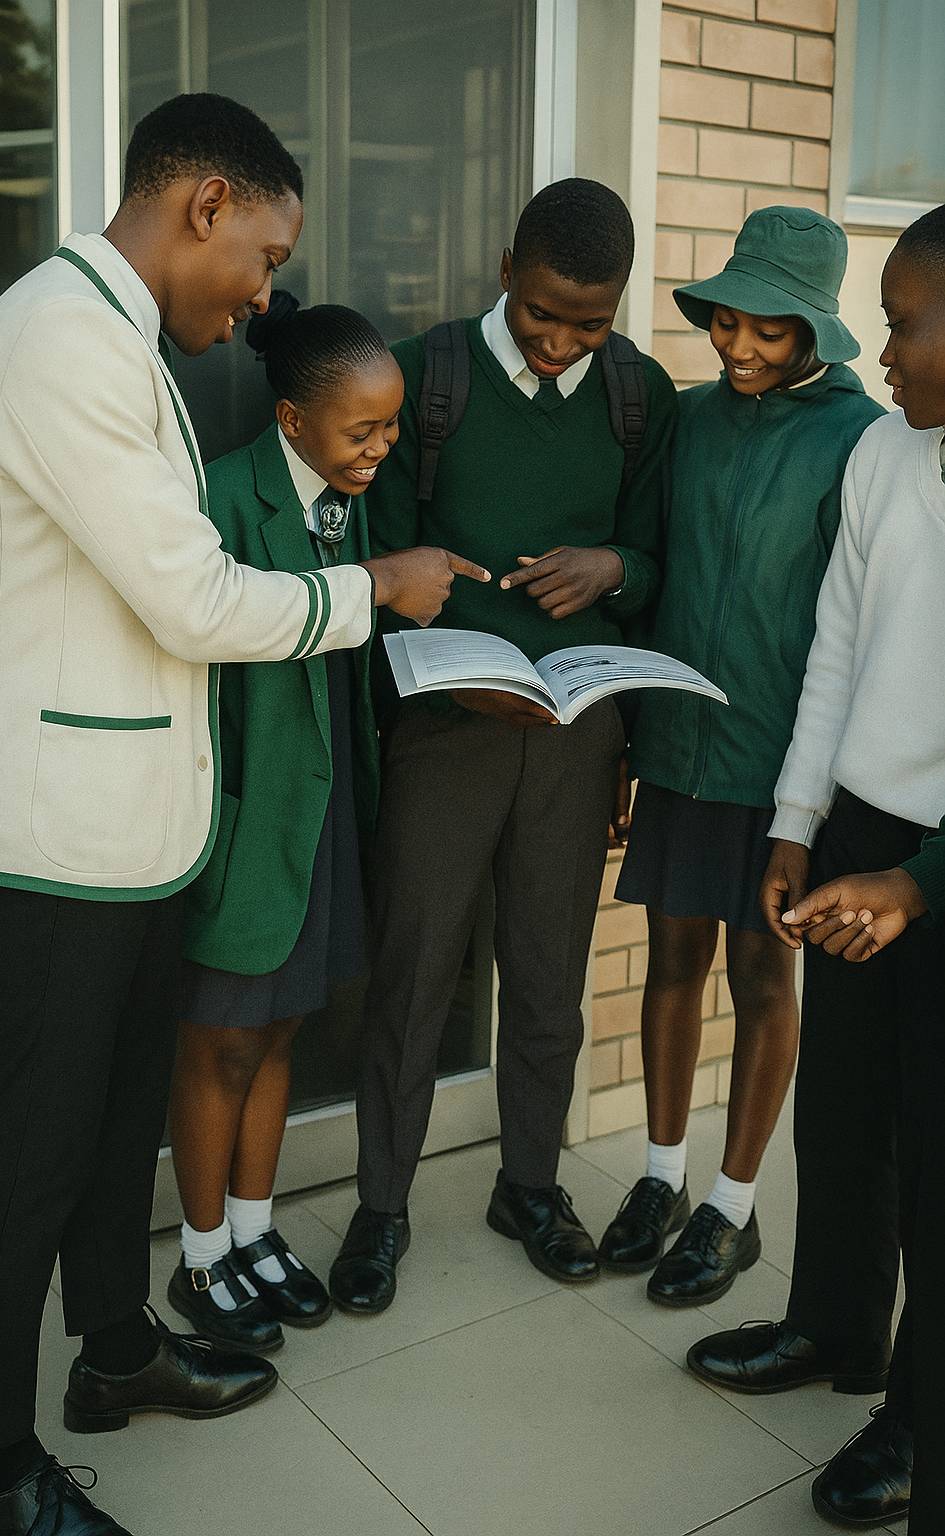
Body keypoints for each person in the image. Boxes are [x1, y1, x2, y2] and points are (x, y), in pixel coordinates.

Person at [0, 94, 484, 1536]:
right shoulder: (66, 344)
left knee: (118, 1119)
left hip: (131, 830)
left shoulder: (122, 340)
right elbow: (188, 597)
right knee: (30, 1150)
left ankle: (115, 1350)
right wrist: (371, 590)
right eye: (264, 256)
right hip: (60, 838)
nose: (261, 296)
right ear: (204, 206)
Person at [326, 178, 678, 1316]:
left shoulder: (637, 396)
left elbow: (659, 564)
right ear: (504, 271)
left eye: (590, 323)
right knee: (415, 970)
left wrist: (615, 567)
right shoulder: (422, 379)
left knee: (547, 975)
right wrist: (452, 673)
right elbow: (377, 574)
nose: (562, 343)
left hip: (576, 737)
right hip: (446, 733)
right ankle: (381, 1207)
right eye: (541, 314)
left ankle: (528, 1184)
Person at [686, 203, 945, 1532]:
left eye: (903, 325)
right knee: (842, 1113)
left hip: (936, 873)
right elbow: (836, 644)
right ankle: (834, 1327)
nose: (882, 353)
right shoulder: (888, 454)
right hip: (858, 836)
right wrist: (798, 824)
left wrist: (921, 884)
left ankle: (919, 1417)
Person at [597, 207, 885, 1306]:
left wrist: (816, 793)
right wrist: (629, 737)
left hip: (782, 768)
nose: (741, 347)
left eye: (769, 329)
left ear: (815, 329)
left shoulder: (859, 439)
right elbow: (654, 569)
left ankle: (732, 1205)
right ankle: (661, 1178)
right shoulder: (688, 418)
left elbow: (858, 629)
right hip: (678, 743)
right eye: (727, 322)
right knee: (671, 961)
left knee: (763, 976)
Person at [166, 302, 420, 1348]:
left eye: (391, 426)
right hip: (245, 814)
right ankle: (200, 1256)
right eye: (362, 431)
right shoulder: (222, 496)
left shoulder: (351, 500)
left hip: (323, 813)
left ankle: (255, 1230)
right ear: (292, 420)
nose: (381, 447)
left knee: (281, 1029)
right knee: (221, 1039)